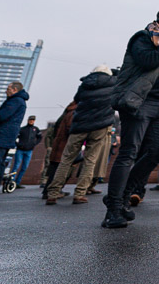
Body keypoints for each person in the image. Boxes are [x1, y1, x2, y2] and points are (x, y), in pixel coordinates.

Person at [103, 5, 159, 228]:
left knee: (158, 151)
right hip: (141, 102)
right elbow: (147, 61)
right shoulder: (143, 37)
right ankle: (114, 208)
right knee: (129, 152)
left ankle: (124, 195)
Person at [46, 66, 117, 204]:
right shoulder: (114, 83)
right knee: (90, 160)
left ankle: (53, 193)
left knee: (66, 159)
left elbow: (77, 100)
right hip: (99, 127)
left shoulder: (85, 84)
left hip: (79, 125)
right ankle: (79, 194)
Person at [13, 116, 40, 187]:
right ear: (28, 120)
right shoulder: (22, 129)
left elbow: (40, 137)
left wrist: (34, 144)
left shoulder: (36, 129)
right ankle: (11, 182)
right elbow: (15, 137)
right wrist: (18, 145)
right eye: (30, 120)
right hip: (20, 150)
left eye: (33, 120)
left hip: (29, 151)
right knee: (16, 166)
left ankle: (17, 183)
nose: (31, 121)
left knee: (24, 167)